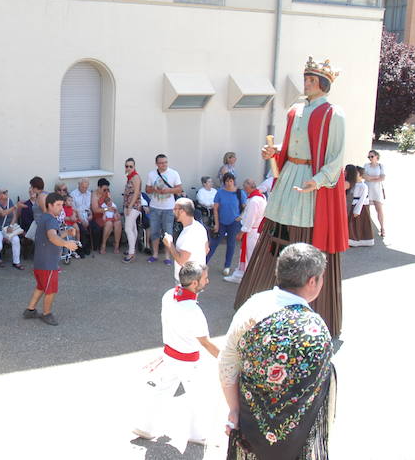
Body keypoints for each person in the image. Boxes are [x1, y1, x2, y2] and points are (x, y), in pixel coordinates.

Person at [234, 57, 347, 338]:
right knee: (276, 232)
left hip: (310, 183)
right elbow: (294, 145)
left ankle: (307, 306)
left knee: (305, 237)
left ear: (323, 84)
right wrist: (275, 152)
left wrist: (319, 181)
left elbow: (336, 157)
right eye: (306, 78)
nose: (306, 83)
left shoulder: (335, 114)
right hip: (289, 177)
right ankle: (264, 297)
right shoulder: (295, 110)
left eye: (311, 80)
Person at [220, 243, 335, 459]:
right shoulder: (315, 329)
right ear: (312, 281)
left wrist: (235, 410)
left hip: (250, 429)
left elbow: (226, 363)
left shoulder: (252, 307)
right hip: (295, 443)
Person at [132, 261, 219, 444]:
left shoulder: (169, 295)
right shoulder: (193, 311)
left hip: (169, 356)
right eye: (204, 278)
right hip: (188, 361)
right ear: (194, 283)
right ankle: (197, 434)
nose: (207, 281)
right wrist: (228, 359)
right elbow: (205, 343)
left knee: (161, 392)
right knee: (198, 397)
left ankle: (146, 426)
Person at [24, 192, 78, 326]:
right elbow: (53, 237)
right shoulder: (51, 220)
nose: (61, 208)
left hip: (40, 262)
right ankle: (46, 314)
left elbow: (54, 235)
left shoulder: (45, 217)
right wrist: (67, 243)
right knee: (51, 290)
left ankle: (30, 310)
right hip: (48, 264)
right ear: (49, 205)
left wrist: (67, 232)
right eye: (58, 205)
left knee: (41, 287)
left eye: (62, 205)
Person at [226, 179, 266, 284]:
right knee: (248, 254)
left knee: (249, 255)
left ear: (249, 186)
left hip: (252, 231)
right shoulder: (259, 198)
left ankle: (247, 276)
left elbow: (250, 218)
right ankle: (243, 274)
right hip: (256, 230)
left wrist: (242, 232)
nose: (243, 188)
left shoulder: (254, 201)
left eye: (244, 185)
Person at [146, 154, 183, 265]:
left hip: (168, 208)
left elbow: (179, 189)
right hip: (155, 207)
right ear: (157, 164)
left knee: (168, 233)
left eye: (165, 162)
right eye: (161, 163)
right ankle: (155, 254)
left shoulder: (174, 173)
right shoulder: (151, 174)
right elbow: (147, 189)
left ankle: (167, 256)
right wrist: (154, 189)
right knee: (154, 232)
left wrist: (168, 191)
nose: (164, 165)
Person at [207, 173, 247, 276]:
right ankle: (204, 262)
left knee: (231, 243)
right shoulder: (220, 192)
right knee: (214, 242)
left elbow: (246, 207)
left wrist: (241, 216)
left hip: (234, 222)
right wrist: (216, 224)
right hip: (221, 221)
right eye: (227, 181)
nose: (229, 183)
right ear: (223, 182)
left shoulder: (239, 193)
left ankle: (227, 266)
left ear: (234, 181)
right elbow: (215, 208)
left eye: (231, 181)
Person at [162, 198, 209, 284]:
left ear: (182, 211)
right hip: (195, 278)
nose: (173, 212)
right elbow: (206, 250)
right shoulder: (199, 227)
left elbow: (181, 261)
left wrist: (169, 244)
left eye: (175, 209)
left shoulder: (189, 233)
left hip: (186, 281)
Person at [0, 185, 22, 270]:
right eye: (4, 192)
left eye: (6, 191)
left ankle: (16, 262)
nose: (7, 193)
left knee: (16, 240)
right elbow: (2, 213)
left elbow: (14, 216)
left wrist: (11, 225)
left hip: (8, 228)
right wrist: (15, 206)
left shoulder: (9, 201)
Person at [92, 179, 121, 255]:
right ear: (99, 187)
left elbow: (111, 204)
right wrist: (107, 209)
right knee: (109, 224)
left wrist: (116, 212)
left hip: (110, 214)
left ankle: (116, 245)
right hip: (99, 216)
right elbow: (95, 210)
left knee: (118, 222)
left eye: (107, 189)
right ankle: (103, 245)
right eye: (104, 189)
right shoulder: (94, 195)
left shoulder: (107, 193)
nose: (106, 191)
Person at [122, 158, 143, 263]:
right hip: (129, 206)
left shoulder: (135, 177)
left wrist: (129, 206)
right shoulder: (129, 177)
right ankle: (132, 249)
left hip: (134, 207)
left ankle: (131, 253)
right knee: (133, 228)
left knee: (128, 229)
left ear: (134, 167)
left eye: (131, 166)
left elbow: (136, 194)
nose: (128, 168)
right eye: (127, 166)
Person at [348, 166, 374, 247]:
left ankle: (362, 240)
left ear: (360, 175)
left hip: (361, 207)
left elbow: (362, 199)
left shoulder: (364, 186)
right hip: (353, 205)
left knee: (360, 224)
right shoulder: (353, 185)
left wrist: (357, 210)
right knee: (353, 224)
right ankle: (352, 240)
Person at [363, 149, 386, 237]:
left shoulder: (380, 166)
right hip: (368, 189)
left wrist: (371, 177)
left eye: (372, 156)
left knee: (379, 209)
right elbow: (365, 177)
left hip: (377, 190)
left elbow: (382, 178)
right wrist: (375, 177)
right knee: (366, 210)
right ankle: (367, 229)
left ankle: (382, 228)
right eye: (369, 157)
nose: (370, 158)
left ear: (377, 157)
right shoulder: (366, 165)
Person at [70, 178, 93, 257]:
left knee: (95, 227)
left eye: (86, 187)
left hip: (87, 215)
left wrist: (91, 215)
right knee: (82, 230)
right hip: (77, 216)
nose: (85, 189)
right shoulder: (73, 194)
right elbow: (74, 209)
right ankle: (80, 249)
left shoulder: (89, 193)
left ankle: (90, 246)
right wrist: (82, 220)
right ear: (79, 185)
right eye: (83, 187)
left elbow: (89, 207)